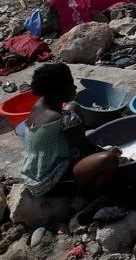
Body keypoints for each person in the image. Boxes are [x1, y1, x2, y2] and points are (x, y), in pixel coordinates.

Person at [21, 63, 121, 196]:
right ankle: (99, 195)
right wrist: (111, 153)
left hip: (36, 170)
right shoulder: (63, 118)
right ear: (57, 92)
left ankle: (83, 162)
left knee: (73, 107)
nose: (74, 87)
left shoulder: (39, 105)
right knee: (109, 160)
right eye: (70, 85)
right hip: (50, 181)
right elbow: (86, 147)